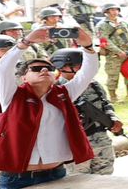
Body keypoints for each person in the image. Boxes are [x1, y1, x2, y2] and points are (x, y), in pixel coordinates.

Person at [0, 27, 98, 189]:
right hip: (17, 179)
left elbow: (87, 72)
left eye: (49, 68)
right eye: (37, 69)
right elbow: (2, 69)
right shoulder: (12, 96)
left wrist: (87, 47)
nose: (45, 70)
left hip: (56, 174)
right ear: (23, 77)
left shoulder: (64, 94)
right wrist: (25, 43)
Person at [51, 48, 122, 176]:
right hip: (76, 146)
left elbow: (105, 103)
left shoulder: (94, 84)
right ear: (63, 67)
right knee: (79, 183)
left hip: (101, 142)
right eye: (80, 65)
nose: (84, 68)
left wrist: (113, 118)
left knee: (105, 180)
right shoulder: (56, 90)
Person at [95, 4, 128, 101]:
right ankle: (113, 97)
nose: (114, 12)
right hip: (113, 55)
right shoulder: (102, 25)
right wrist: (118, 51)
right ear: (106, 12)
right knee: (113, 76)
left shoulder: (124, 22)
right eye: (111, 10)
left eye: (116, 9)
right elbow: (104, 41)